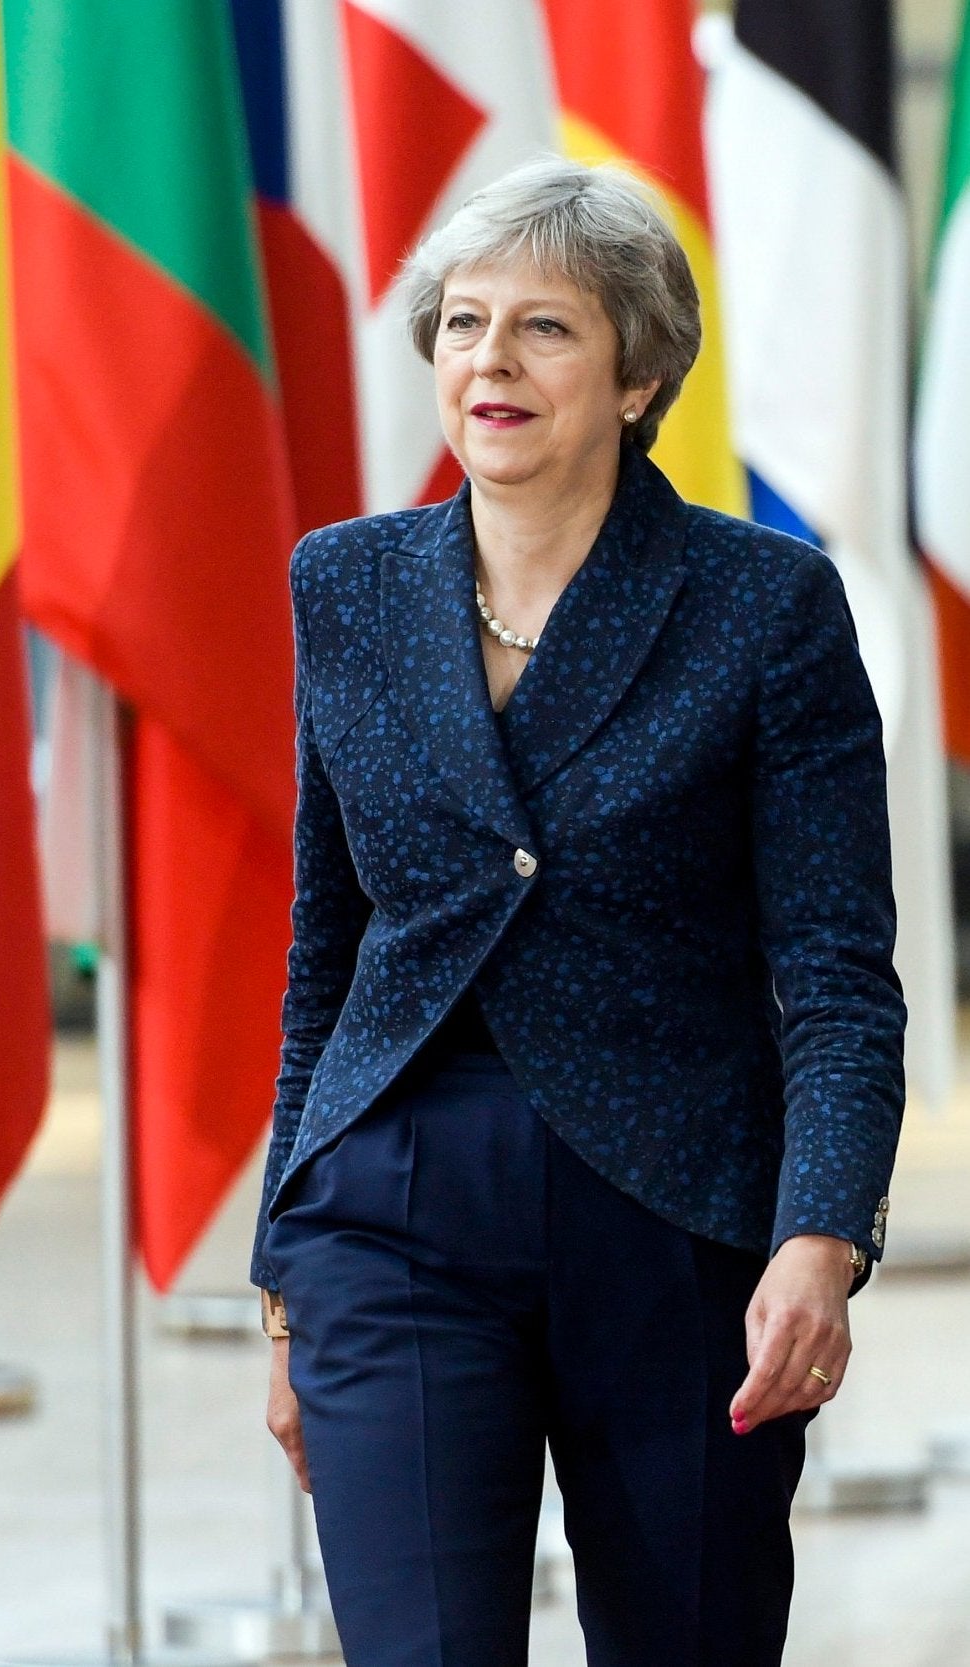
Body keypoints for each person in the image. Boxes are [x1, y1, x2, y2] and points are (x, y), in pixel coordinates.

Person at [252, 156, 906, 1667]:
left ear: (638, 373)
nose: (488, 359)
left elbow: (830, 969)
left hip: (678, 1227)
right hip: (392, 1211)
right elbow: (324, 950)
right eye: (461, 322)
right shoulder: (341, 585)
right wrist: (284, 1272)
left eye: (543, 328)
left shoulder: (765, 603)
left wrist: (818, 1236)